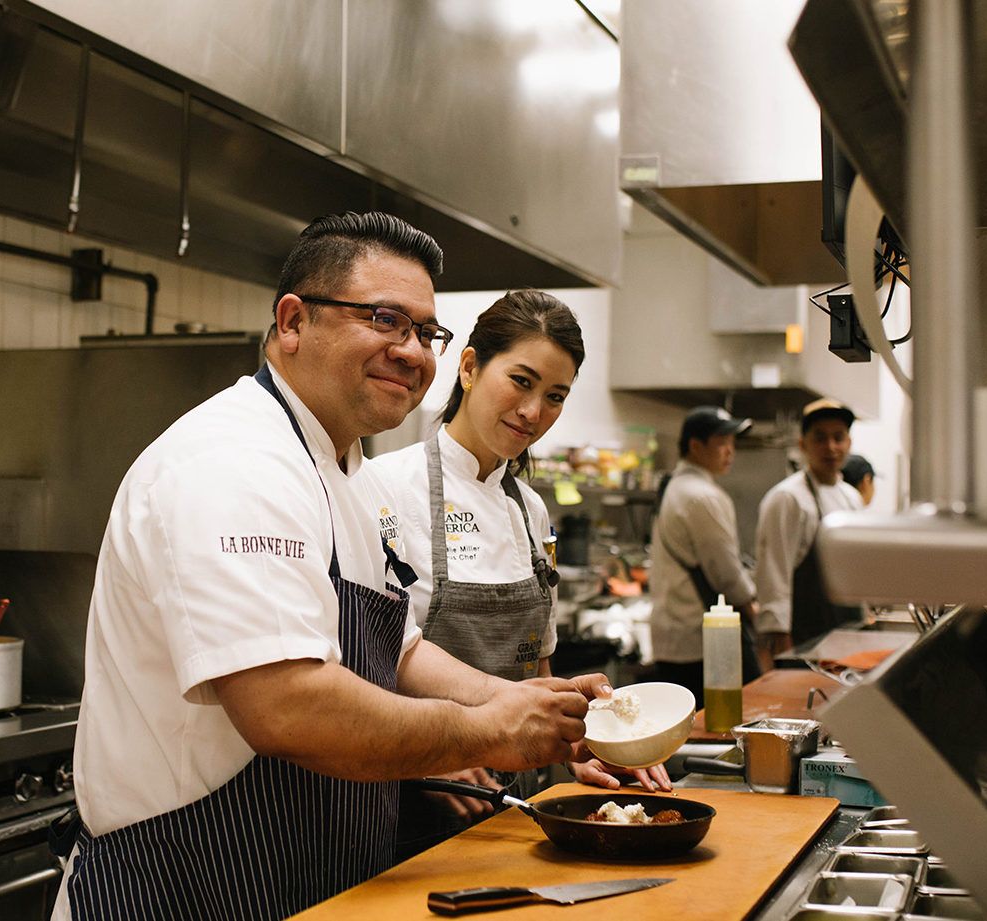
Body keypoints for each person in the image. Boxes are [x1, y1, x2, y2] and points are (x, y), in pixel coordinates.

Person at [51, 214, 606, 921]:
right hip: (183, 883)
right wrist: (489, 732)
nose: (411, 351)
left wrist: (521, 705)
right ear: (292, 321)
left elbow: (397, 647)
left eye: (425, 333)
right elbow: (285, 705)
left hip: (306, 877)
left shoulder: (349, 472)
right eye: (384, 319)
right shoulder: (234, 463)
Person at [367, 290, 670, 857]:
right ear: (470, 366)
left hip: (517, 806)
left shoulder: (529, 510)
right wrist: (436, 749)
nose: (534, 412)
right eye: (522, 381)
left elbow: (537, 663)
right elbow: (369, 661)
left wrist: (582, 744)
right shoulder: (385, 488)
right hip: (415, 799)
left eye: (555, 396)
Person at [649, 406, 761, 707]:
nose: (730, 451)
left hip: (674, 637)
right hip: (702, 641)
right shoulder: (703, 495)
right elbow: (725, 572)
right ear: (696, 446)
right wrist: (752, 606)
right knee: (717, 728)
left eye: (732, 443)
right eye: (722, 442)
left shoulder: (674, 485)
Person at [754, 398, 864, 668]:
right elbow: (774, 572)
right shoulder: (788, 498)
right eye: (820, 438)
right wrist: (779, 639)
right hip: (804, 638)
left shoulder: (851, 497)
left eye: (838, 437)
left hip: (848, 630)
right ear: (803, 444)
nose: (831, 447)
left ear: (849, 442)